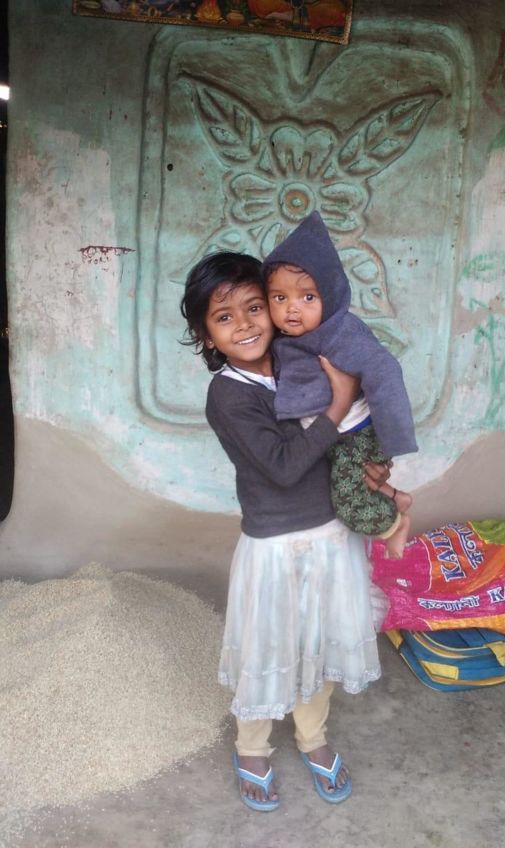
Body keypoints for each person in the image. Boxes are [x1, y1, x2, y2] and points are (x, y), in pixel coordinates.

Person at [180, 251, 387, 812]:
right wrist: (338, 403)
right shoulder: (229, 394)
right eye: (224, 317)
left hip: (332, 534)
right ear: (206, 334)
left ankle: (313, 737)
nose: (245, 324)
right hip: (274, 544)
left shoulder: (301, 361)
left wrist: (372, 472)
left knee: (319, 643)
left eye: (255, 307)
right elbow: (283, 466)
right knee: (266, 647)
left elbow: (348, 439)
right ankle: (252, 748)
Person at [263, 211, 418, 559]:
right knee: (345, 482)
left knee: (348, 504)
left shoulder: (339, 333)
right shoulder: (284, 339)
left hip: (356, 434)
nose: (292, 309)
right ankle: (397, 497)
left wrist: (393, 438)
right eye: (279, 298)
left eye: (307, 297)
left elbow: (384, 370)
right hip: (329, 434)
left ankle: (394, 524)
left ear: (329, 295)